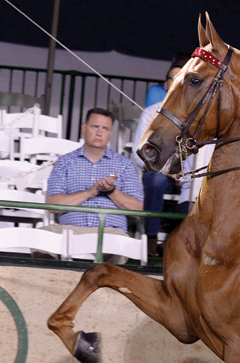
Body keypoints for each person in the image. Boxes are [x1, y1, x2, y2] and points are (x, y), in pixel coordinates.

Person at [42, 108, 143, 263]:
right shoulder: (65, 162)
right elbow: (52, 205)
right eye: (95, 127)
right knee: (42, 236)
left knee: (121, 244)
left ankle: (109, 286)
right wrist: (91, 192)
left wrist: (111, 191)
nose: (99, 133)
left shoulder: (125, 165)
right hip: (70, 230)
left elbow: (137, 210)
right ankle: (51, 284)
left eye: (105, 129)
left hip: (110, 232)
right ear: (84, 128)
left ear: (111, 133)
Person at [132, 61, 186, 256]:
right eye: (174, 78)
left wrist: (183, 172)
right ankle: (151, 237)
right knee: (156, 180)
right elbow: (138, 153)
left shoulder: (195, 118)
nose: (179, 82)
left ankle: (178, 240)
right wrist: (168, 169)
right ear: (166, 84)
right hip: (158, 172)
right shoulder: (150, 113)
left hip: (186, 173)